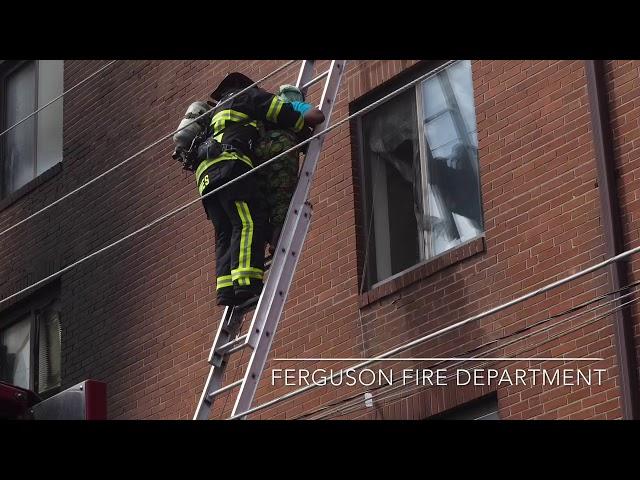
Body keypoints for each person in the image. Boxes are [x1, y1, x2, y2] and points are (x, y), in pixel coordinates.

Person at [194, 72, 315, 306]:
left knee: (225, 231)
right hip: (229, 165)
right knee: (248, 221)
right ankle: (247, 284)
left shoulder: (213, 114)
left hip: (205, 177)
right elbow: (281, 112)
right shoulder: (246, 96)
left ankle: (226, 290)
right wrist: (302, 131)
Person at [254, 85, 324, 255]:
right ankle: (276, 243)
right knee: (282, 197)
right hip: (281, 151)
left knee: (261, 199)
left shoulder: (268, 109)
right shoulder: (292, 105)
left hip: (259, 154)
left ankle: (258, 246)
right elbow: (317, 116)